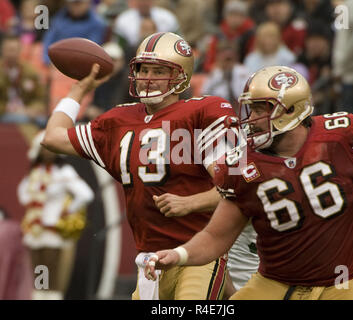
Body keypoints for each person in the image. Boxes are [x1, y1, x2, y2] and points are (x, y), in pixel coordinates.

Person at [145, 66, 353, 300]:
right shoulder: (241, 164)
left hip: (347, 280)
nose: (252, 119)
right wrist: (178, 255)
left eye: (261, 109)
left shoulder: (342, 136)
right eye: (251, 109)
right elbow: (215, 237)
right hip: (277, 283)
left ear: (292, 110)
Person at [41, 32, 238, 300]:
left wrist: (191, 203)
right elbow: (53, 137)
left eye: (159, 70)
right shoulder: (118, 120)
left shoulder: (202, 113)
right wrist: (79, 90)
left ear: (181, 77)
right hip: (149, 259)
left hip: (196, 251)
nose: (148, 77)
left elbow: (237, 188)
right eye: (144, 69)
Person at [18, 130, 94, 300]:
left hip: (54, 227)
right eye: (44, 149)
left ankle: (52, 296)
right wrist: (34, 200)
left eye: (50, 149)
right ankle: (40, 296)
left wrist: (68, 210)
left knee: (51, 266)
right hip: (35, 227)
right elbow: (23, 194)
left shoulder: (64, 172)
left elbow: (86, 194)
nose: (47, 153)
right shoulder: (35, 172)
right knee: (39, 267)